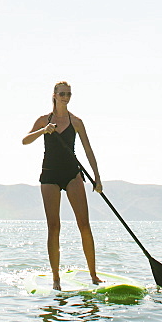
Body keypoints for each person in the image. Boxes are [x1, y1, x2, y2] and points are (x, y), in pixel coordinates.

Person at [22, 81, 102, 290]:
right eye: (63, 93)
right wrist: (43, 131)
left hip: (72, 174)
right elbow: (25, 140)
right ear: (55, 95)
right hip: (49, 174)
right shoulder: (43, 120)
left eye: (69, 94)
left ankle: (93, 276)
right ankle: (56, 279)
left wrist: (97, 177)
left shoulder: (76, 121)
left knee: (84, 224)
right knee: (54, 226)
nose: (66, 97)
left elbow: (88, 149)